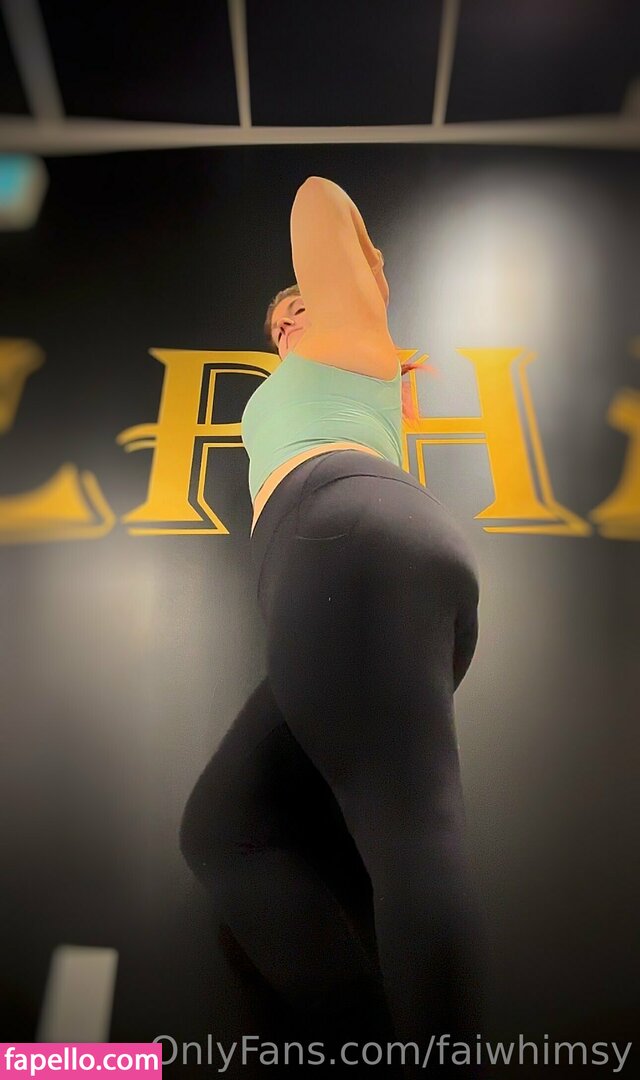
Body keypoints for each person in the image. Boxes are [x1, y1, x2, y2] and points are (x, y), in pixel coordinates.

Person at [180, 177, 484, 1077]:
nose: (284, 324)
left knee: (412, 832)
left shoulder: (352, 341)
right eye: (275, 322)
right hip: (353, 565)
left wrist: (366, 276)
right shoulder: (344, 385)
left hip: (345, 540)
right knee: (225, 826)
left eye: (298, 307)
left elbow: (317, 197)